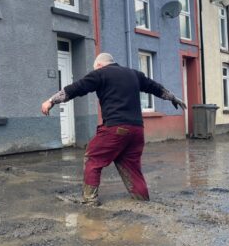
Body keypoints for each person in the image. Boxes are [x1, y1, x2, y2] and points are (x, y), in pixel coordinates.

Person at [41, 53, 186, 205]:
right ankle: (142, 201)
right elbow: (155, 87)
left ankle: (89, 202)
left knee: (93, 158)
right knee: (131, 168)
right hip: (137, 131)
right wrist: (173, 98)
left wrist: (51, 101)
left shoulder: (101, 73)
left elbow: (76, 88)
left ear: (99, 65)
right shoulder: (134, 74)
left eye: (95, 68)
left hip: (116, 128)